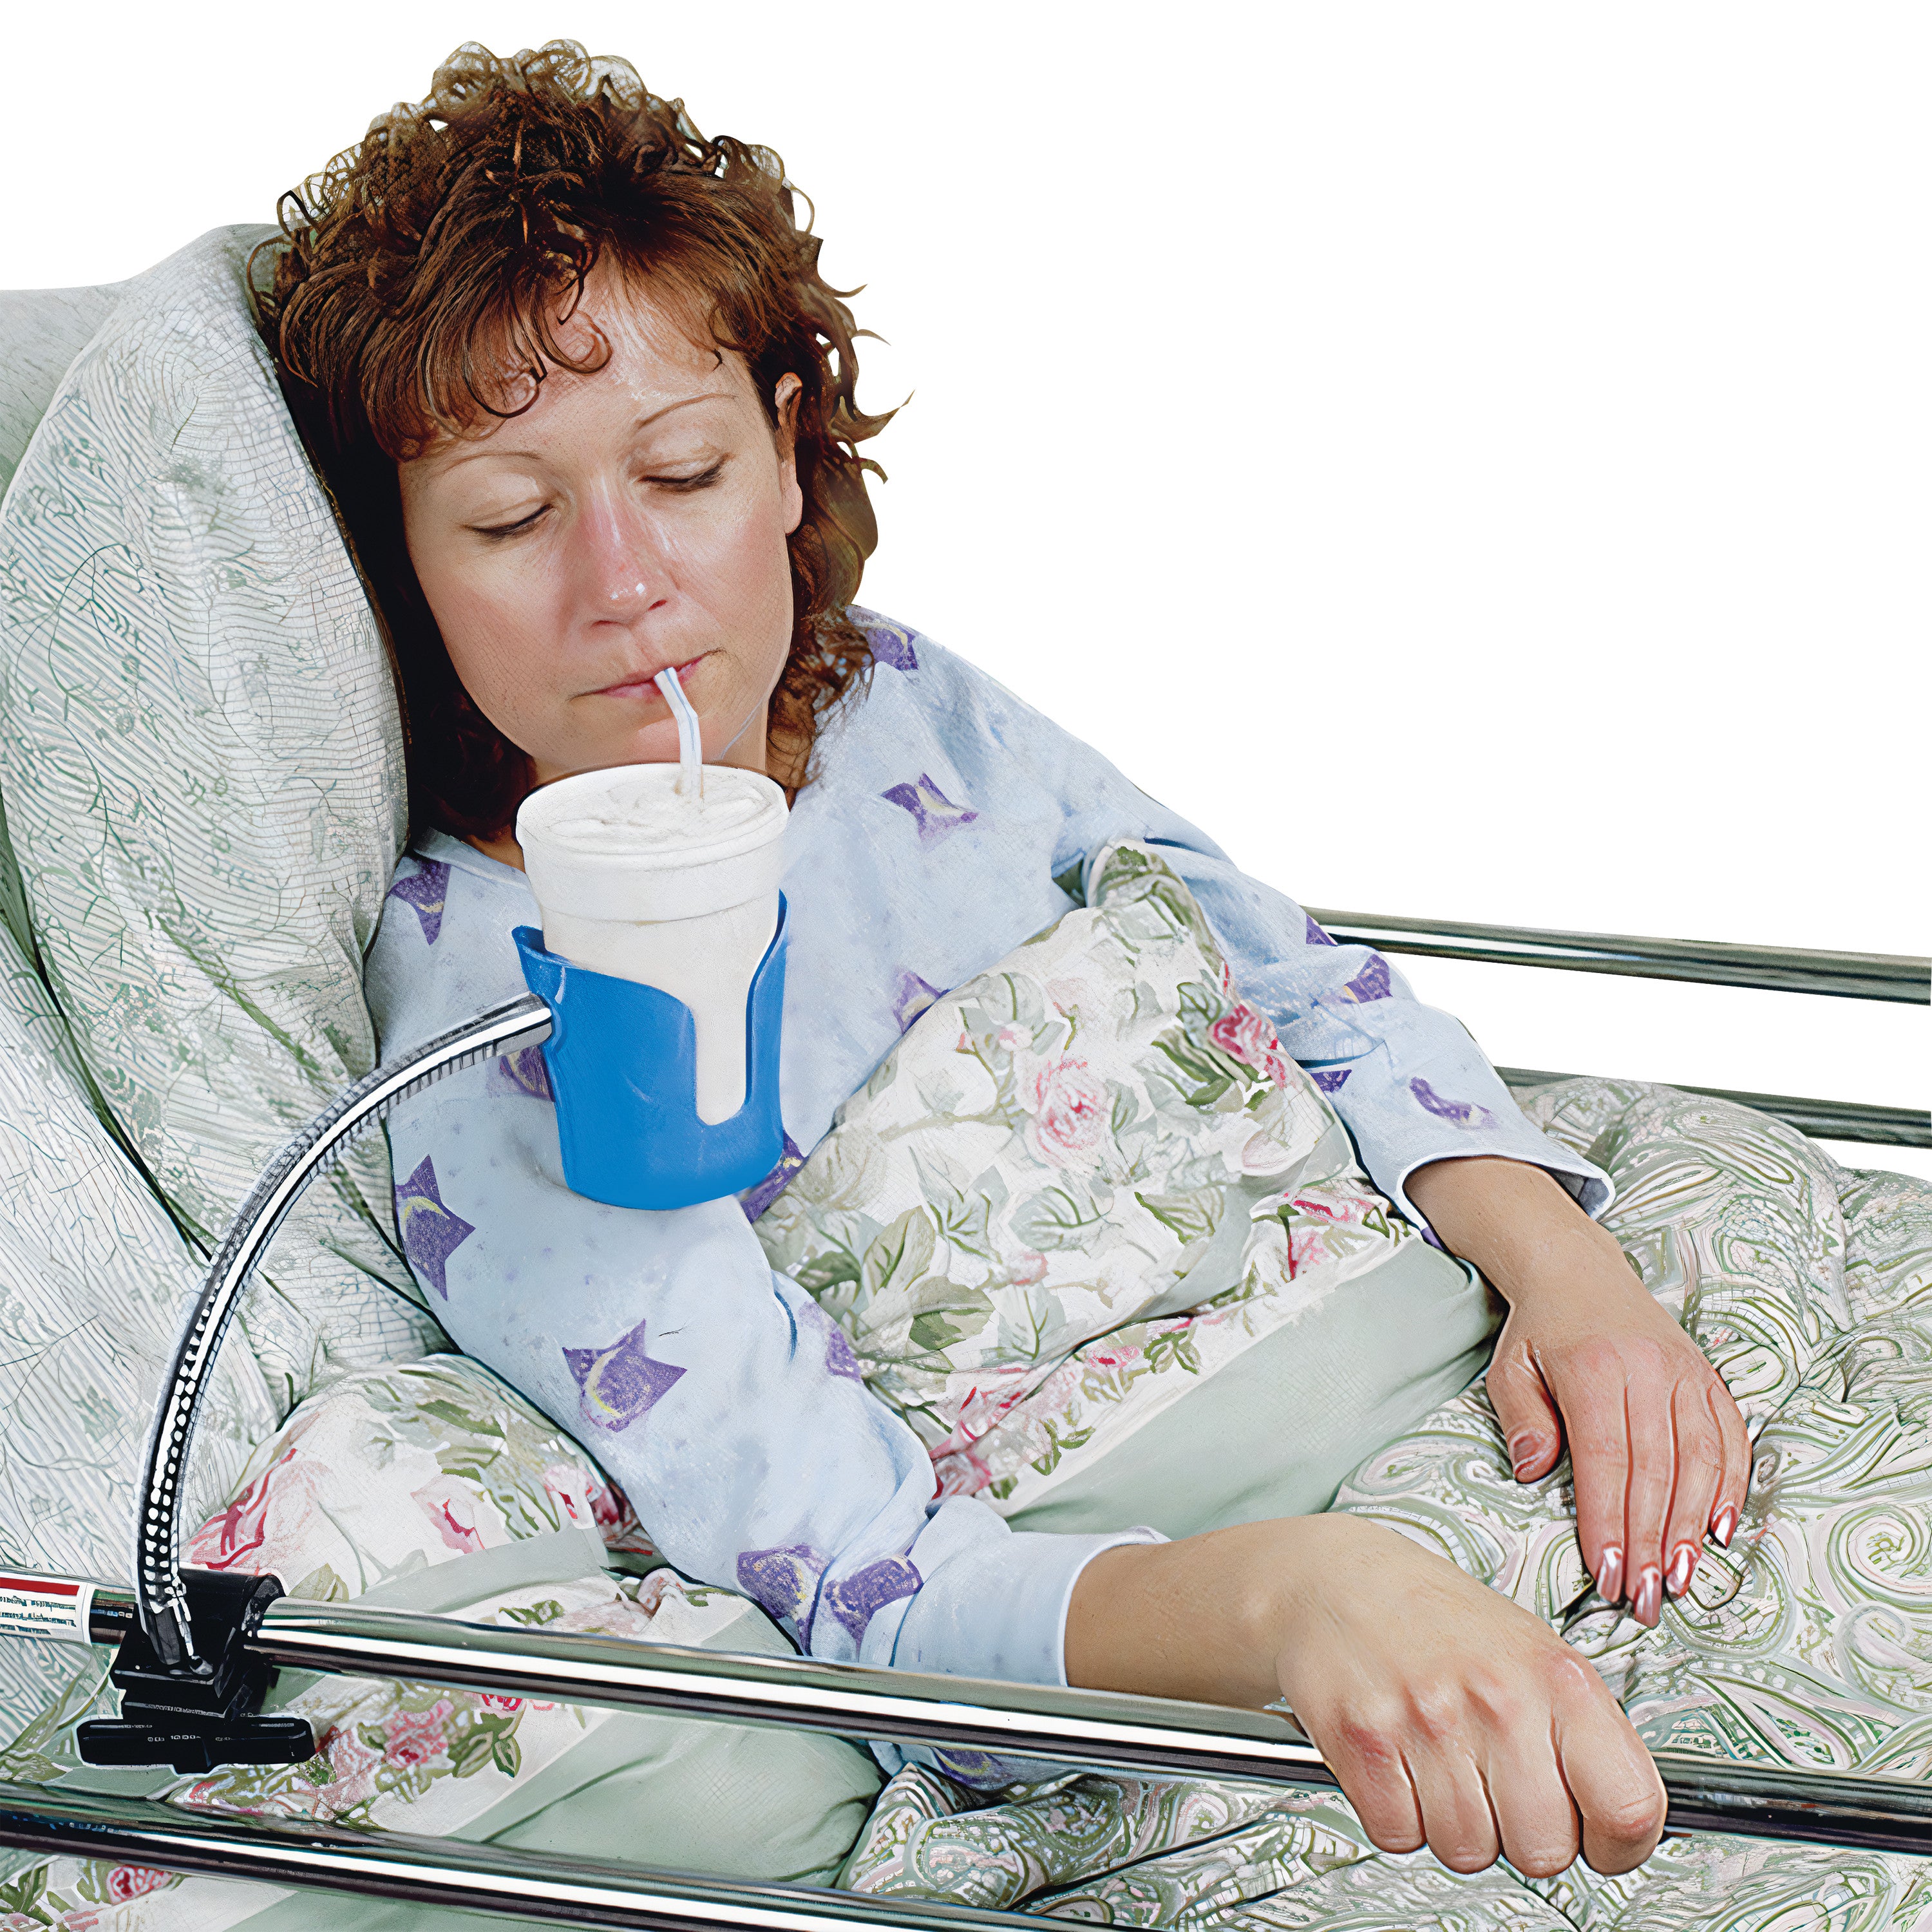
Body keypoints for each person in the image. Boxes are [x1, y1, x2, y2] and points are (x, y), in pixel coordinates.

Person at [260, 39, 1749, 1881]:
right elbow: (860, 1583)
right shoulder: (499, 1015)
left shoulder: (893, 707)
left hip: (1501, 1390)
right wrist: (1301, 1597)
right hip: (1235, 1602)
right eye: (508, 517)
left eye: (685, 467)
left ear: (792, 457)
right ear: (398, 574)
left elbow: (1297, 982)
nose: (624, 579)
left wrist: (1577, 1282)